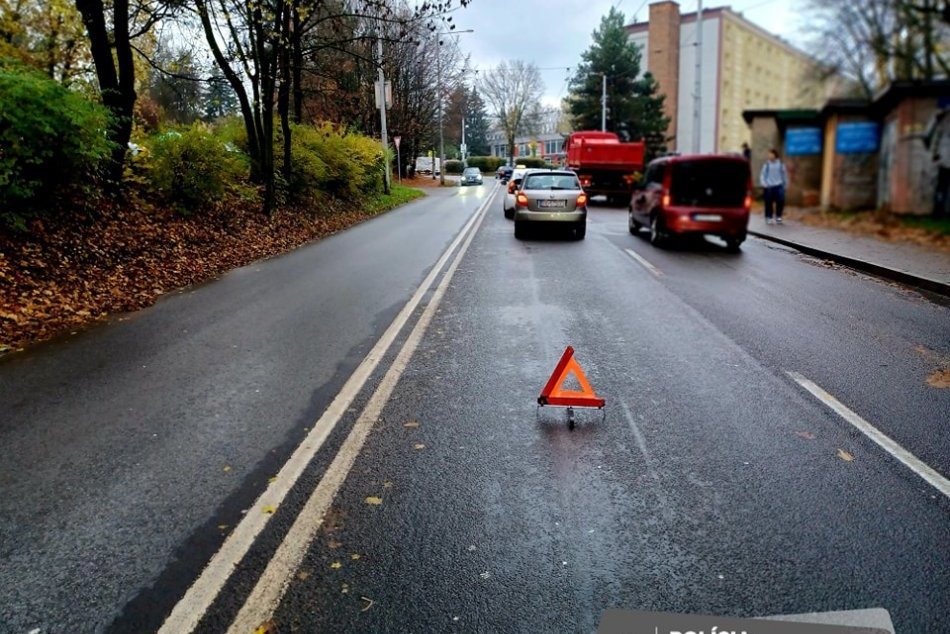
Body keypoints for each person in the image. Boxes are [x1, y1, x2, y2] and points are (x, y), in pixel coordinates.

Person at [760, 148, 788, 225]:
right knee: (768, 203)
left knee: (780, 203)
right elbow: (762, 175)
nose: (769, 156)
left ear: (775, 155)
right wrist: (764, 184)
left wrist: (785, 185)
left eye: (771, 154)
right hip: (769, 187)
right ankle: (769, 218)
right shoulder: (766, 165)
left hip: (779, 186)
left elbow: (784, 176)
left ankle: (778, 217)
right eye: (768, 154)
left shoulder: (780, 164)